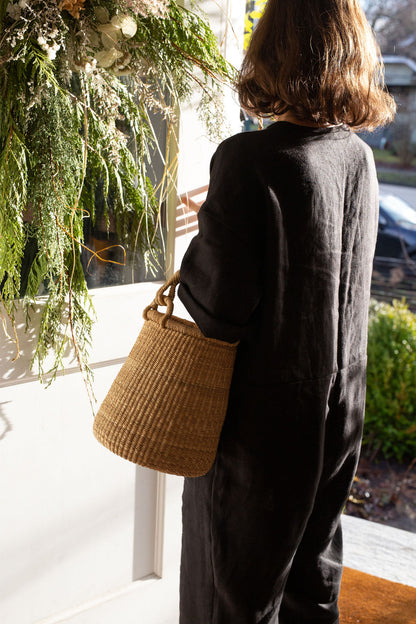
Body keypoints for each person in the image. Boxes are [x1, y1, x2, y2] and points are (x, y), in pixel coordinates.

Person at [177, 1, 396, 622]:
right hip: (337, 414)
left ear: (272, 50)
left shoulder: (248, 160)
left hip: (259, 426)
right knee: (311, 587)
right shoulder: (357, 158)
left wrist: (214, 223)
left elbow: (218, 308)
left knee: (235, 599)